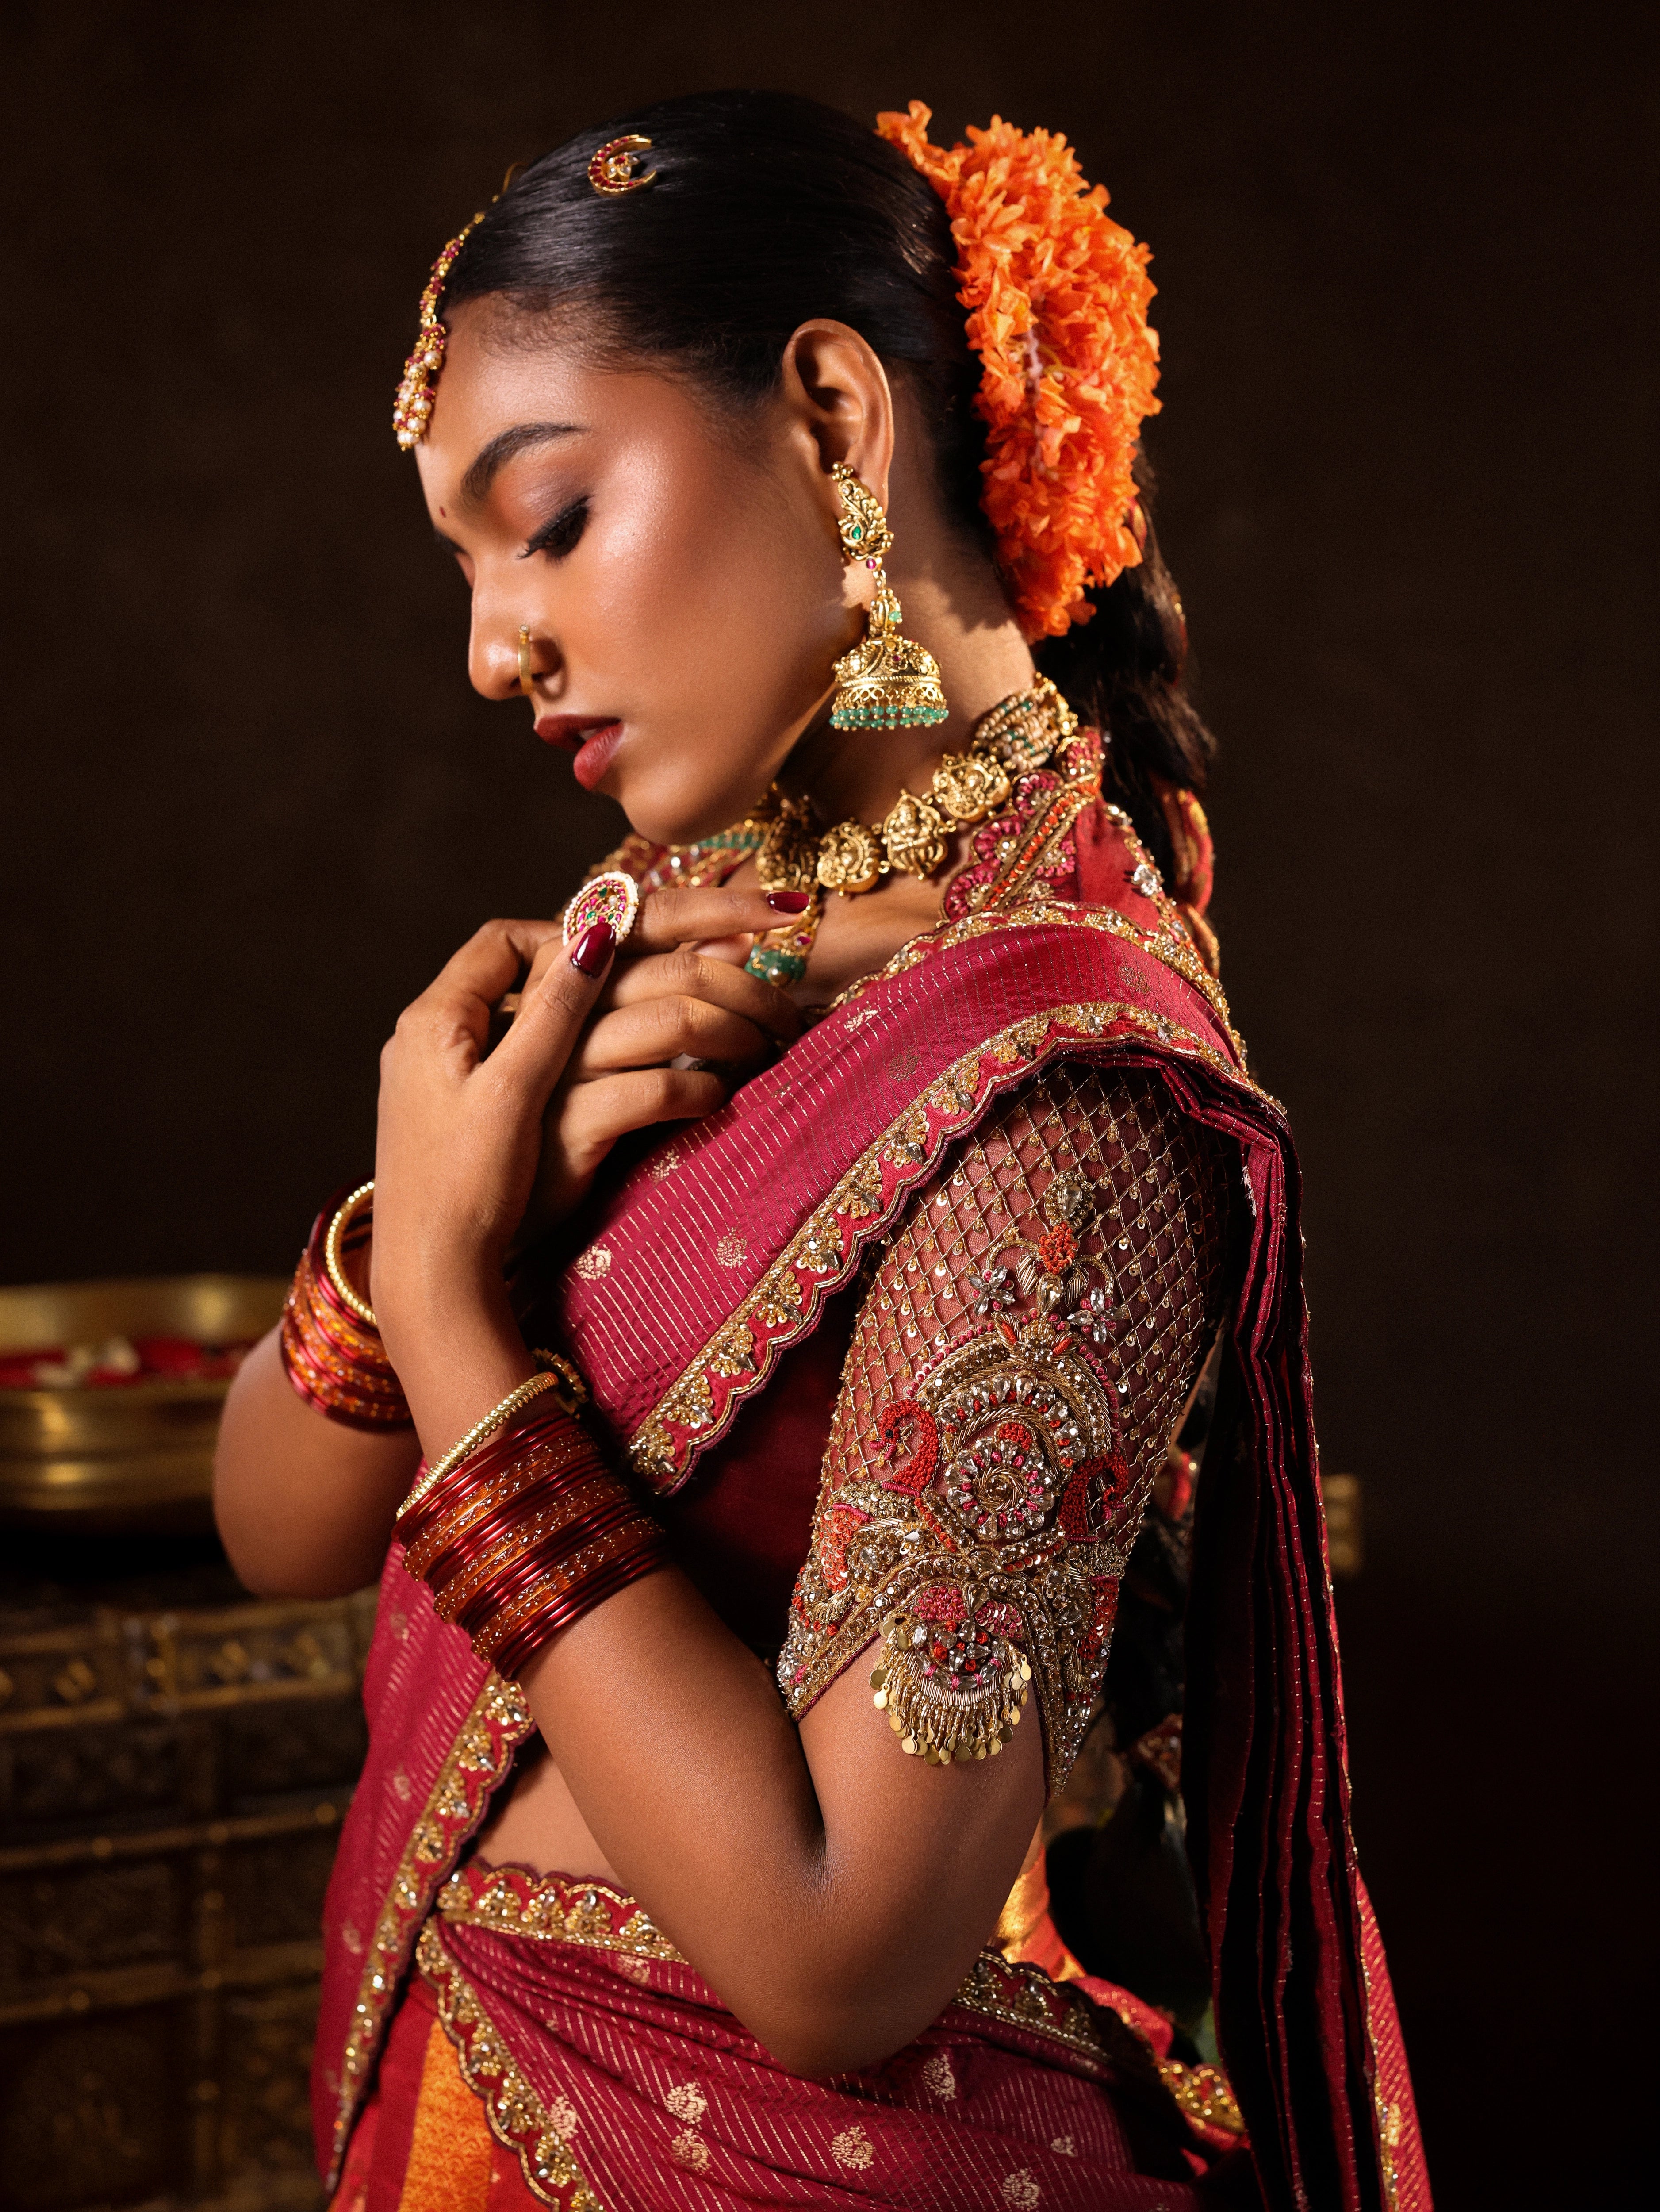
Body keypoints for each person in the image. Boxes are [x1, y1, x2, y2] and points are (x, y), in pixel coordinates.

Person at [214, 90, 1429, 2212]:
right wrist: (424, 1215)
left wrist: (446, 1308)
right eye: (468, 563)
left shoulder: (1062, 1088)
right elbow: (284, 1525)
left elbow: (841, 1952)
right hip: (455, 2103)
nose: (492, 649)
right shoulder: (662, 924)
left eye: (552, 519)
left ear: (836, 421)